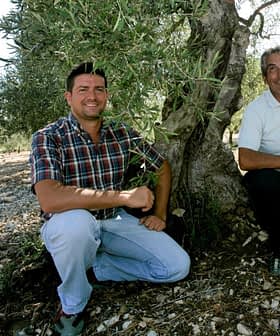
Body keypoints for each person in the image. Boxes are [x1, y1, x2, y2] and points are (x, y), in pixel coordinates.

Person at [29, 62, 191, 335]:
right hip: (69, 226)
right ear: (68, 97)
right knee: (77, 225)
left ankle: (97, 267)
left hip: (114, 221)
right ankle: (72, 305)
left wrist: (160, 214)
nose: (92, 96)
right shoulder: (48, 137)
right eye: (83, 89)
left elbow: (162, 167)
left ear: (106, 95)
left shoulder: (121, 133)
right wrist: (125, 196)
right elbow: (50, 199)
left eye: (99, 89)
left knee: (176, 267)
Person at [238, 46, 280, 276]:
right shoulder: (257, 109)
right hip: (272, 176)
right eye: (273, 69)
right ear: (265, 78)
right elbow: (245, 159)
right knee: (262, 182)